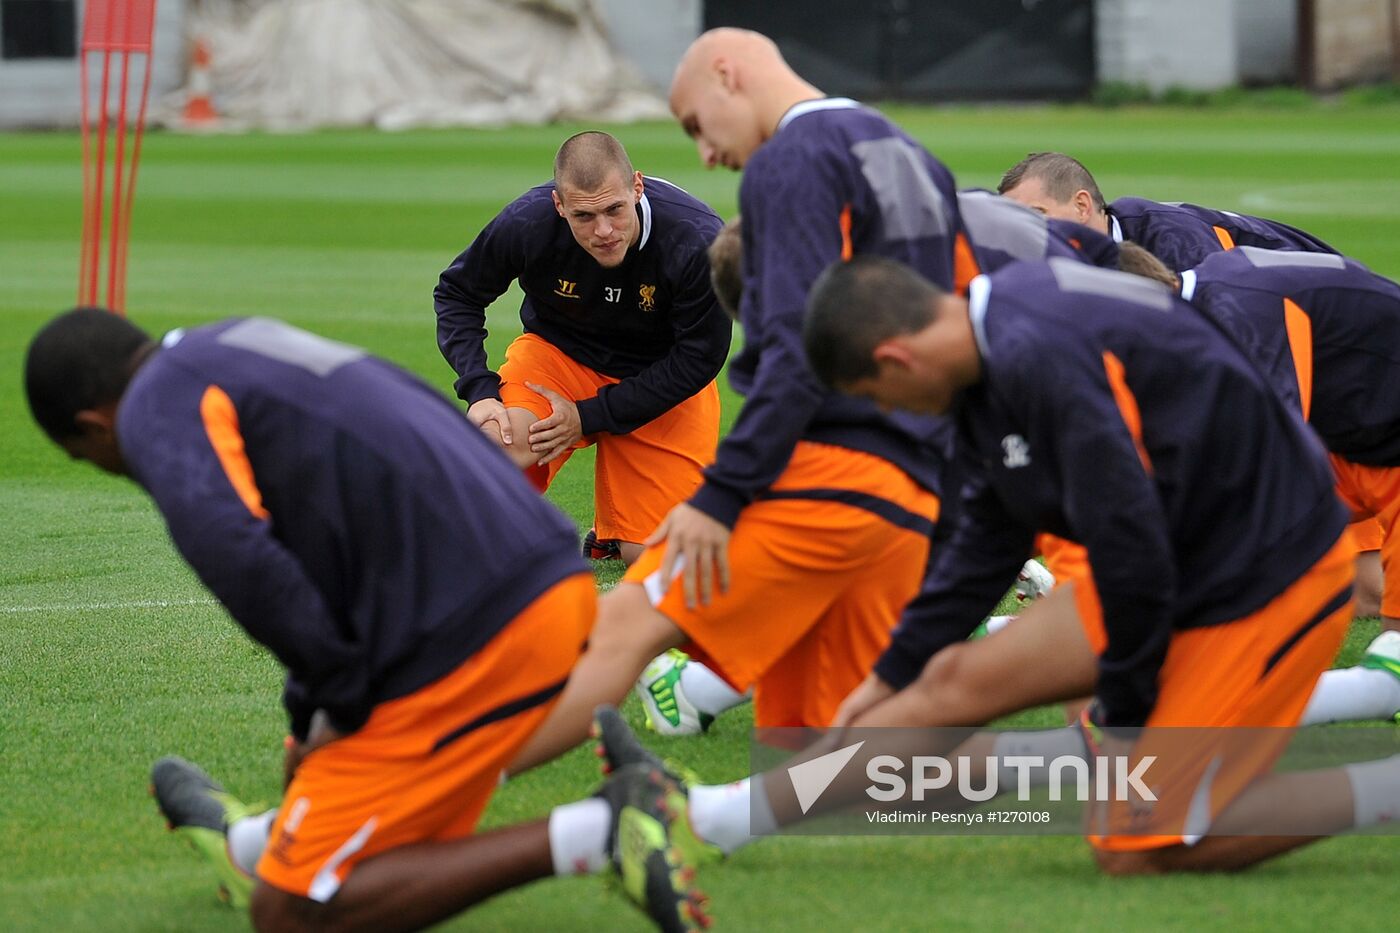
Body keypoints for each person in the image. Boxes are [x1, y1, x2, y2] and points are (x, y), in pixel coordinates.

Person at [631, 255, 1399, 873]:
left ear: (895, 356)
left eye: (879, 396)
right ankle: (713, 817)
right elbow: (986, 536)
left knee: (1139, 842)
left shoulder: (1040, 353)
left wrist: (1124, 717)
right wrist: (894, 669)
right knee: (944, 685)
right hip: (1175, 554)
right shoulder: (988, 341)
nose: (896, 415)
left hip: (1269, 573)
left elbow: (1125, 536)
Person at [24, 308, 705, 933]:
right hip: (537, 571)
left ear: (92, 424)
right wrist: (316, 709)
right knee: (348, 795)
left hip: (478, 616)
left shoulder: (153, 407)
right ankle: (254, 843)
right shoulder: (227, 341)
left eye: (91, 459)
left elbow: (238, 553)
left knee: (290, 910)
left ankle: (605, 830)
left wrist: (343, 701)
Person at [997, 150, 1383, 616]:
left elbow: (1242, 402)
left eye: (1038, 217)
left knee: (1353, 589)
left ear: (1082, 206)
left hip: (1336, 380)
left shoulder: (1181, 250)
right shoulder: (1094, 266)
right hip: (1306, 377)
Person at [1116, 242, 1400, 724]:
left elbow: (1271, 467)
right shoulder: (1217, 300)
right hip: (1363, 447)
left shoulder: (1239, 311)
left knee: (1391, 660)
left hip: (1369, 449)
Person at [435, 130, 732, 564]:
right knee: (494, 445)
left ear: (637, 186)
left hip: (658, 380)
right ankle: (494, 547)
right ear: (559, 206)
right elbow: (458, 293)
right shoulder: (528, 223)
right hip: (559, 359)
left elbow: (698, 358)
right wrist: (479, 390)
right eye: (583, 217)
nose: (604, 230)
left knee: (658, 560)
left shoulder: (697, 241)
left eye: (614, 209)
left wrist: (589, 417)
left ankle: (616, 535)